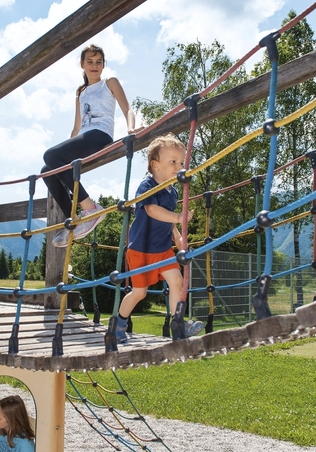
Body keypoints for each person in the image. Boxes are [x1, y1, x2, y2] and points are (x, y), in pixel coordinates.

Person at [42, 44, 136, 247]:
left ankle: (90, 209)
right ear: (82, 64)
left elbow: (127, 108)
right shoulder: (80, 92)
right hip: (84, 139)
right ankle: (74, 222)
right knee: (47, 170)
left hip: (99, 136)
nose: (94, 65)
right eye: (90, 61)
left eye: (98, 62)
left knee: (49, 156)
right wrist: (66, 150)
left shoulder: (109, 83)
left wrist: (131, 129)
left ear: (103, 65)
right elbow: (77, 126)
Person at [114, 134, 203, 344]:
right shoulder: (147, 186)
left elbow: (168, 221)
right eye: (173, 162)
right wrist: (178, 217)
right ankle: (118, 324)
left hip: (162, 250)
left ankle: (178, 324)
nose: (178, 166)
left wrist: (178, 237)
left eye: (181, 162)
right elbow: (153, 210)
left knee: (177, 280)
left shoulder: (172, 192)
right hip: (141, 250)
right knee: (139, 293)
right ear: (155, 165)